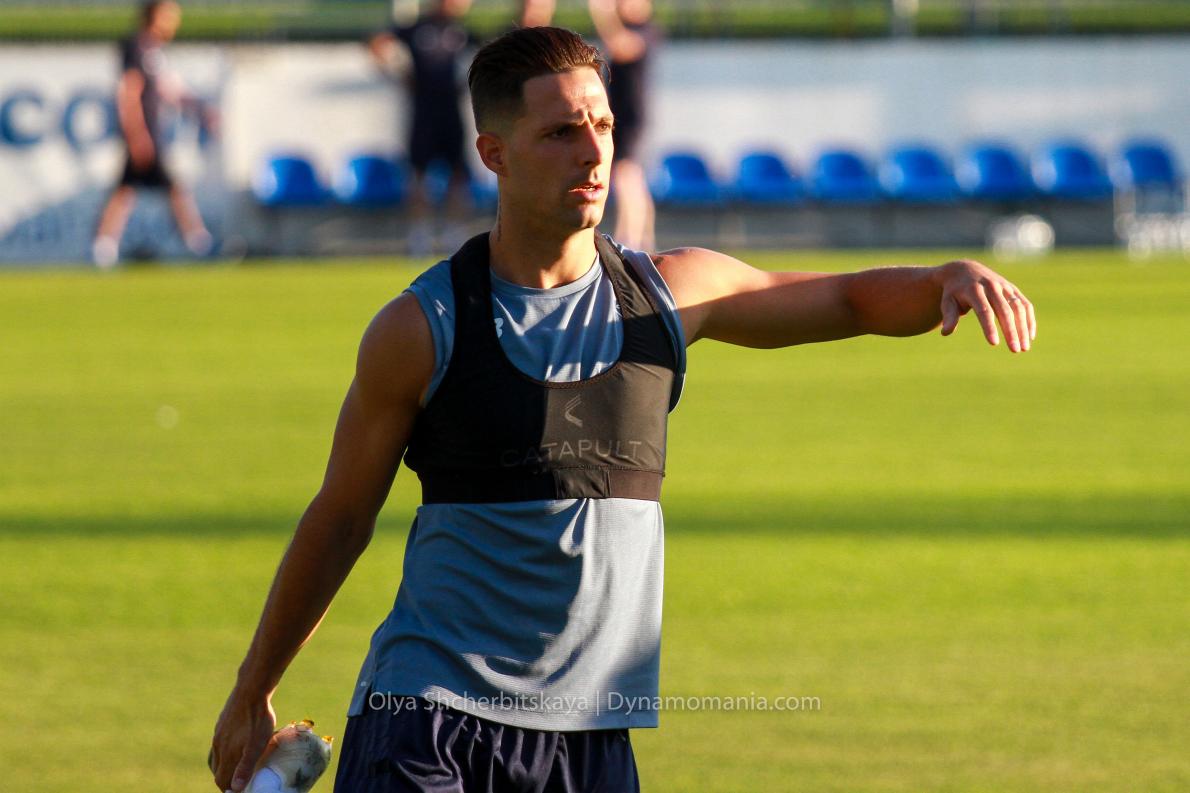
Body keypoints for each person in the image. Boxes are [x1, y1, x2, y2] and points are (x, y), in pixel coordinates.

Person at [210, 26, 1036, 793]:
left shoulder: (669, 295)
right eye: (560, 132)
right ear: (494, 153)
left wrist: (943, 279)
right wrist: (254, 687)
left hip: (593, 735)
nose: (593, 151)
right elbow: (341, 517)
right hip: (429, 720)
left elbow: (845, 299)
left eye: (602, 125)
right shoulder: (422, 327)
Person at [92, 0, 213, 269]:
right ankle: (198, 242)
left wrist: (201, 110)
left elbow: (169, 90)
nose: (174, 22)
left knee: (127, 189)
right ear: (154, 17)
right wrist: (137, 134)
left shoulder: (156, 50)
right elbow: (129, 92)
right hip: (144, 133)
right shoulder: (135, 46)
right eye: (169, 16)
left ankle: (104, 246)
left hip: (153, 133)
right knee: (170, 188)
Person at [368, 0, 477, 256]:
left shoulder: (463, 31)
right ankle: (420, 236)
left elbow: (487, 57)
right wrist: (395, 73)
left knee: (457, 175)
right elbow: (377, 43)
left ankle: (454, 235)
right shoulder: (416, 28)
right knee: (418, 175)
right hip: (423, 113)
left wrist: (469, 83)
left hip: (451, 112)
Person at [588, 0, 657, 251]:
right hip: (620, 116)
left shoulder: (646, 30)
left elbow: (620, 46)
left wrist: (602, 13)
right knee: (632, 178)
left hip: (631, 117)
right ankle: (643, 241)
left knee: (626, 175)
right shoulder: (630, 27)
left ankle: (630, 239)